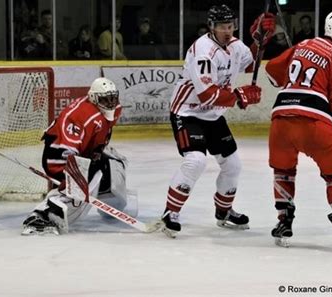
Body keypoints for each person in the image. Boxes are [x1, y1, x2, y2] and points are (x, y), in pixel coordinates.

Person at [160, 4, 276, 238]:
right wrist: (238, 96)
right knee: (195, 161)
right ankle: (170, 212)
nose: (228, 30)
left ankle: (224, 211)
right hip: (188, 112)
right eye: (223, 26)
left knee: (233, 165)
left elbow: (251, 61)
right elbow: (207, 95)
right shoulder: (203, 51)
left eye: (231, 26)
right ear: (211, 27)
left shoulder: (234, 45)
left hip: (213, 115)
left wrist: (260, 40)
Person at [265, 10, 332, 253]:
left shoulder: (302, 44)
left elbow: (271, 73)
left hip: (280, 120)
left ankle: (283, 223)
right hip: (314, 124)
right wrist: (326, 119)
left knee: (284, 170)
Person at [22, 77, 137, 235]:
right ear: (94, 98)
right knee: (82, 184)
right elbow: (62, 150)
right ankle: (42, 216)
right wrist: (68, 177)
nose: (110, 103)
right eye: (105, 99)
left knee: (113, 165)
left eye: (112, 98)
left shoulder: (113, 109)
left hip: (84, 155)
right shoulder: (80, 116)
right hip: (58, 157)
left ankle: (111, 205)